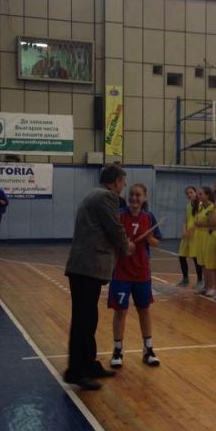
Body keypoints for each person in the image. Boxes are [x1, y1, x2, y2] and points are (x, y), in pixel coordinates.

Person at [64, 164, 133, 390]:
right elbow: (114, 227)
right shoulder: (106, 197)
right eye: (122, 182)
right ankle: (76, 371)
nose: (123, 187)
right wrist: (126, 246)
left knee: (89, 318)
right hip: (87, 267)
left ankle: (89, 364)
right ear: (115, 182)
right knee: (83, 320)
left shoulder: (93, 194)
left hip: (84, 267)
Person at [109, 183, 162, 368]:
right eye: (131, 194)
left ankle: (148, 349)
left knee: (144, 310)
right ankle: (117, 350)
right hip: (121, 272)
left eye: (138, 195)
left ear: (144, 198)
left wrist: (149, 239)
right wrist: (124, 245)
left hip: (141, 273)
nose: (134, 198)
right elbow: (111, 240)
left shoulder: (149, 217)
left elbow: (156, 242)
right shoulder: (119, 215)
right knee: (120, 311)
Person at [177, 186, 202, 288]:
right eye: (187, 193)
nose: (189, 195)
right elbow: (186, 220)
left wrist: (191, 230)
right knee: (181, 255)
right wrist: (184, 230)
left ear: (195, 193)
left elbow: (199, 221)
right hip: (187, 234)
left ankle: (200, 280)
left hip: (195, 233)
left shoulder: (200, 205)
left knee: (196, 258)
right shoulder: (188, 206)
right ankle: (185, 278)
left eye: (191, 192)